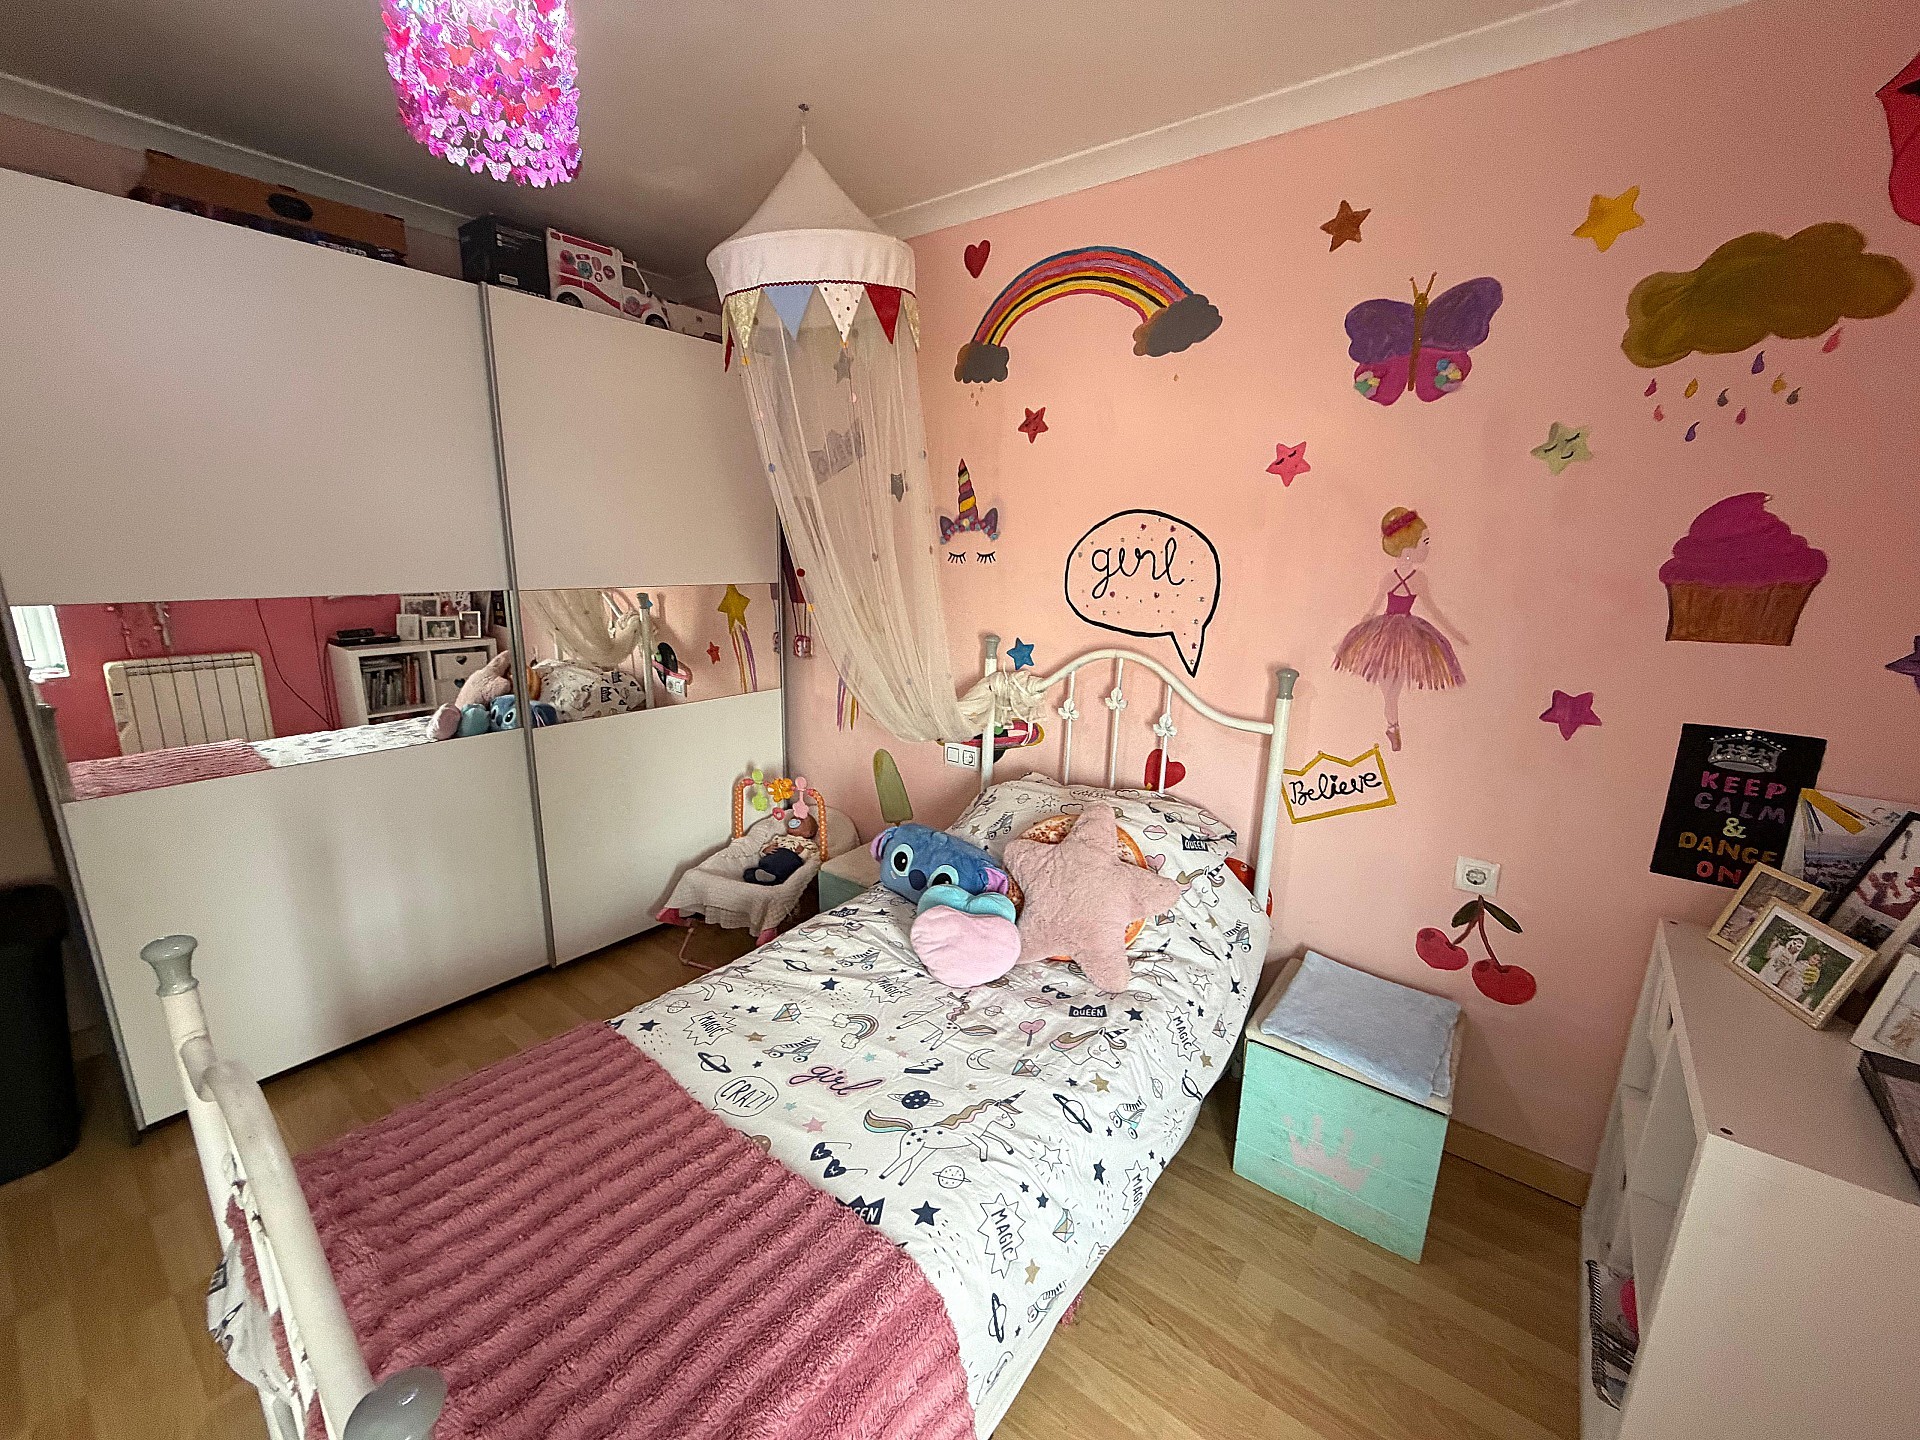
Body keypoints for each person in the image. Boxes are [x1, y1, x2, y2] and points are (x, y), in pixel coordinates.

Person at [1332, 507, 1468, 751]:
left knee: (1392, 688)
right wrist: (1354, 636)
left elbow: (1433, 610)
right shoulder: (1395, 579)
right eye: (1425, 543)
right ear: (1408, 548)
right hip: (1387, 633)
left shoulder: (1417, 579)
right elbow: (1373, 608)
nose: (1427, 549)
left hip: (1404, 636)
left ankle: (1392, 726)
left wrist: (1454, 633)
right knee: (1390, 687)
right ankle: (1392, 726)